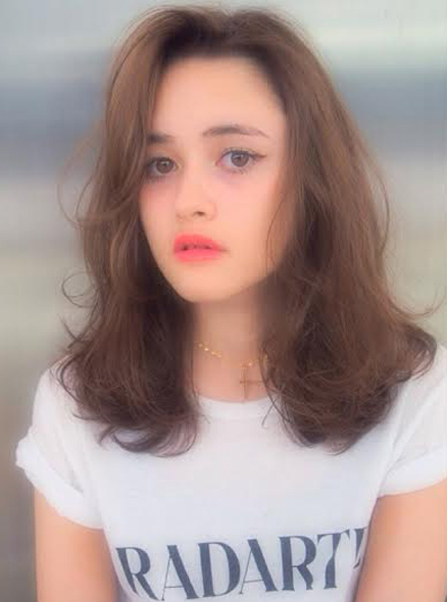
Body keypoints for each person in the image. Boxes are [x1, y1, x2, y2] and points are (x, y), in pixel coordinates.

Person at [15, 4, 447, 601]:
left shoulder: (410, 390)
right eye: (159, 164)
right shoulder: (78, 404)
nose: (188, 200)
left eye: (237, 156)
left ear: (311, 179)